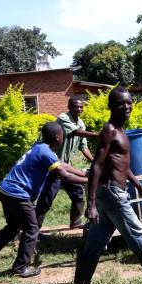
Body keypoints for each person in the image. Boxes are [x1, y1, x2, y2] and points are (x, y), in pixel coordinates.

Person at [73, 87, 142, 284]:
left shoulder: (120, 132)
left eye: (129, 102)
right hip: (112, 193)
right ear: (111, 106)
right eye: (121, 103)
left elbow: (122, 165)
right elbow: (97, 166)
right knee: (139, 232)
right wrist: (91, 204)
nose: (127, 107)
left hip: (110, 193)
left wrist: (139, 186)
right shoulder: (110, 131)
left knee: (96, 240)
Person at [0, 122, 88, 278]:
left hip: (6, 190)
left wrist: (84, 173)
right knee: (32, 229)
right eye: (62, 136)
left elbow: (63, 165)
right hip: (18, 195)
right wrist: (92, 180)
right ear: (57, 137)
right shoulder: (46, 152)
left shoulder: (40, 147)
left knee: (11, 228)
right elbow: (65, 175)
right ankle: (20, 268)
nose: (63, 138)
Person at [35, 96, 97, 231]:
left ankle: (75, 223)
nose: (79, 109)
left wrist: (95, 162)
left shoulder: (81, 123)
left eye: (81, 107)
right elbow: (76, 132)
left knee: (78, 195)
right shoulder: (63, 118)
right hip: (53, 165)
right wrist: (99, 135)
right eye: (76, 106)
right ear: (69, 107)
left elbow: (83, 147)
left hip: (66, 165)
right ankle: (33, 230)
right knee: (46, 200)